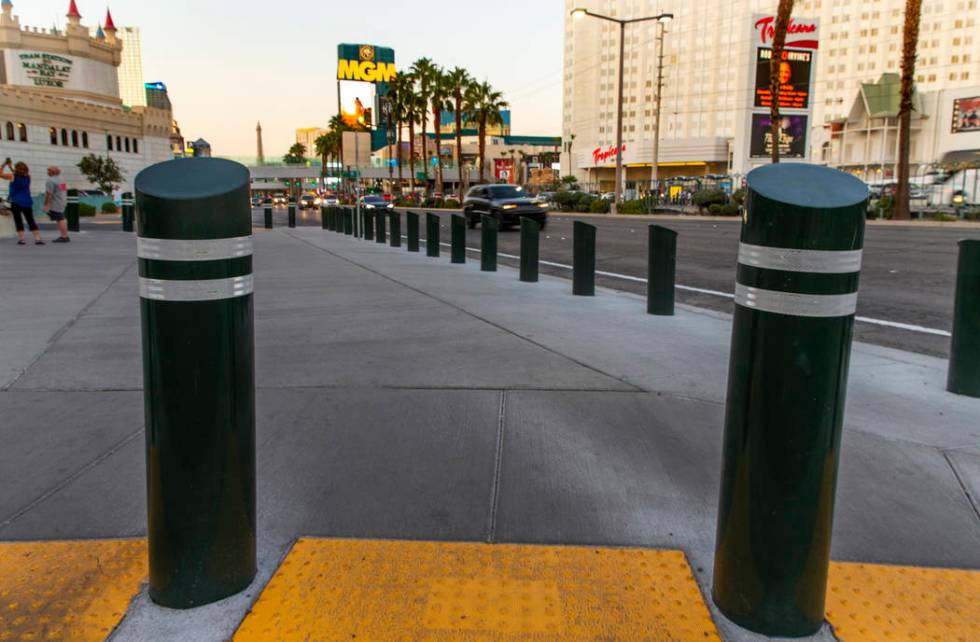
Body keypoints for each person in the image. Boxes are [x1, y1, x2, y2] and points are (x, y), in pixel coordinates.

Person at [0, 159, 44, 245]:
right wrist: (11, 167)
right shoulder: (28, 177)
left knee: (18, 220)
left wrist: (3, 165)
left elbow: (1, 175)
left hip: (16, 202)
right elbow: (18, 175)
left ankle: (22, 239)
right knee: (30, 220)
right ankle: (37, 239)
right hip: (27, 201)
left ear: (17, 169)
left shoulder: (12, 176)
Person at [43, 166, 70, 242]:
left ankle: (64, 236)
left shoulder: (50, 180)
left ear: (53, 172)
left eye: (49, 171)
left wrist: (46, 204)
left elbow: (49, 194)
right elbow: (63, 190)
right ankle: (64, 235)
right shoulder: (62, 179)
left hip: (56, 202)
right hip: (62, 201)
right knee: (61, 218)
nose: (47, 172)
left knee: (60, 219)